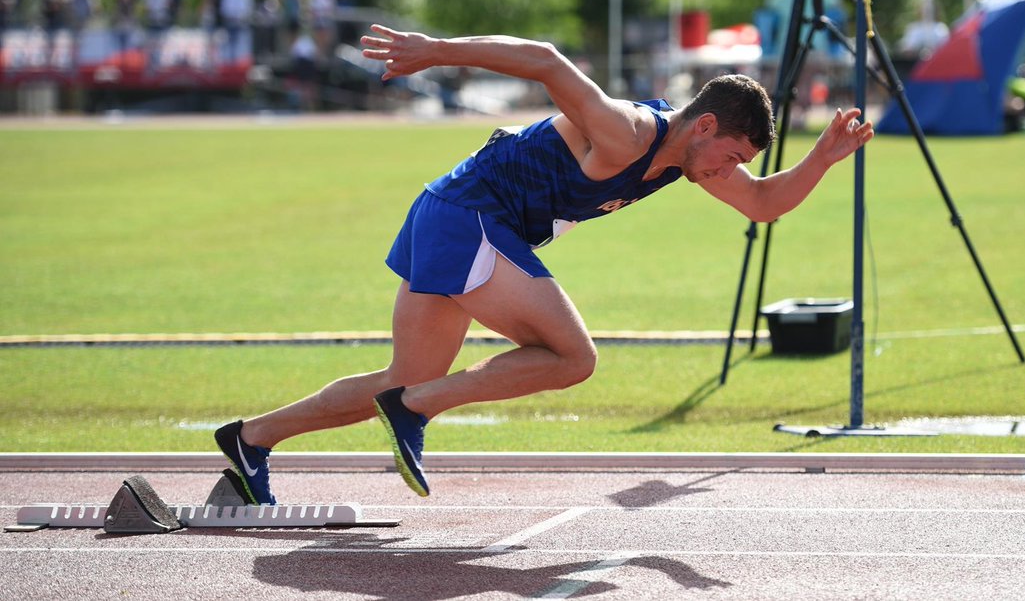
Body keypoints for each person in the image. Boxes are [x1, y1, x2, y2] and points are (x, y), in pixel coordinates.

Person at [214, 25, 875, 505]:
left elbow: (762, 203)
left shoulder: (684, 161)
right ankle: (413, 409)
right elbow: (546, 60)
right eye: (732, 156)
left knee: (405, 376)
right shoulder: (627, 132)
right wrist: (435, 51)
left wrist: (821, 158)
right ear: (704, 127)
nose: (731, 172)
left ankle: (252, 439)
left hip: (447, 213)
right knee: (572, 357)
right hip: (469, 216)